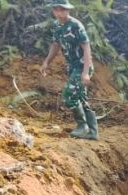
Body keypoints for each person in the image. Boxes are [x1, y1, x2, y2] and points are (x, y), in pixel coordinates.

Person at [40, 2, 99, 140]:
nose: (59, 12)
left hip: (82, 66)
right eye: (56, 9)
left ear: (68, 10)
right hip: (72, 66)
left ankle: (82, 126)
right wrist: (46, 62)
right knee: (80, 97)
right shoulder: (57, 26)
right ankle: (93, 132)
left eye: (62, 9)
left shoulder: (76, 25)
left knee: (69, 95)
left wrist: (85, 72)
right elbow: (56, 45)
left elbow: (86, 48)